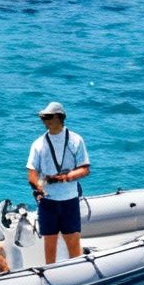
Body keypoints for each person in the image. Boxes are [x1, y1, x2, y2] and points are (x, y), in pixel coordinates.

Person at [26, 101, 91, 265]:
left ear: (59, 117)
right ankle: (51, 273)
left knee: (73, 241)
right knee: (49, 244)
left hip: (69, 199)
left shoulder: (75, 140)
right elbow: (32, 173)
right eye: (42, 118)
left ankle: (77, 272)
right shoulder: (38, 144)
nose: (44, 121)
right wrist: (37, 186)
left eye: (47, 117)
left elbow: (84, 169)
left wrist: (64, 177)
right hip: (48, 201)